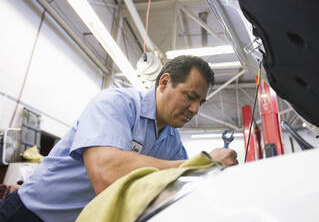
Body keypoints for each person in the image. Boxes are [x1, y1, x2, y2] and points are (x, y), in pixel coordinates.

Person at [0, 55, 238, 222]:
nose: (195, 109)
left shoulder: (173, 143)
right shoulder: (116, 104)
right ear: (164, 83)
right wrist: (202, 162)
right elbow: (105, 174)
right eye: (190, 96)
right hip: (29, 214)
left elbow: (180, 186)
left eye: (200, 103)